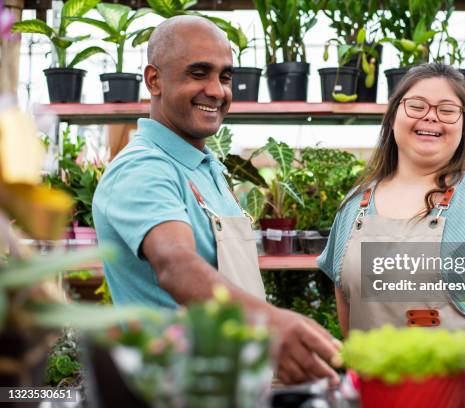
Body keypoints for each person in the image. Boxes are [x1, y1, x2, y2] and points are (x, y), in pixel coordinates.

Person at [92, 15, 340, 385]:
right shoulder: (144, 168)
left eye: (225, 77)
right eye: (198, 73)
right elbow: (176, 264)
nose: (218, 90)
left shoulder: (205, 165)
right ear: (153, 80)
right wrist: (269, 324)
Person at [317, 63, 465, 337]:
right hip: (375, 377)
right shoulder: (354, 205)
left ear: (463, 124)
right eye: (417, 106)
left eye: (447, 110)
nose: (431, 117)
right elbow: (345, 303)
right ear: (393, 115)